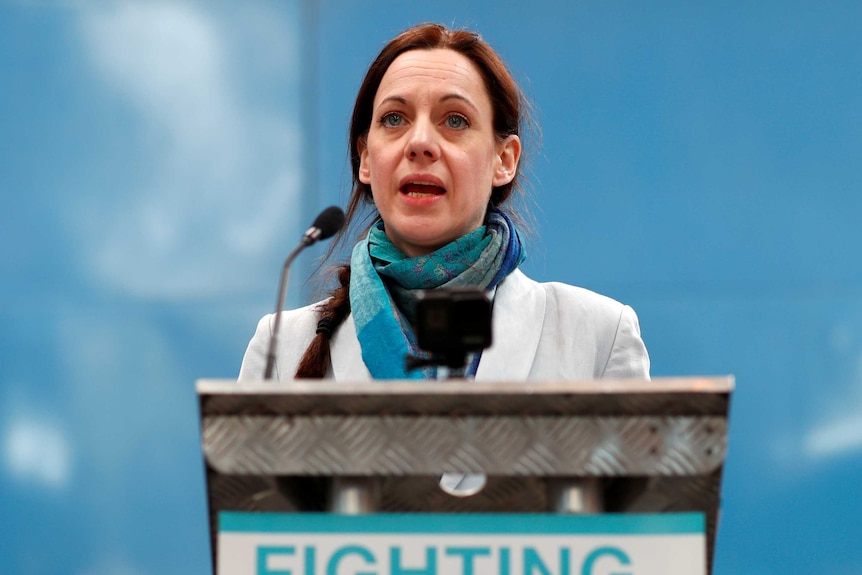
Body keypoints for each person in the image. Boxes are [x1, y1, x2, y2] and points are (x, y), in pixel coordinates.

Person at [239, 23, 649, 382]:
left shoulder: (598, 336)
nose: (419, 143)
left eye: (455, 120)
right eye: (394, 119)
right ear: (365, 158)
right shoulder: (282, 348)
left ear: (503, 161)